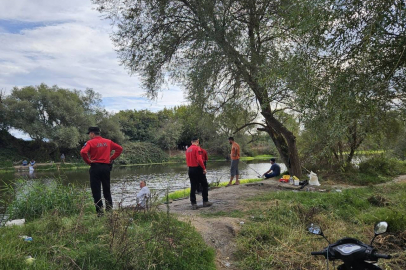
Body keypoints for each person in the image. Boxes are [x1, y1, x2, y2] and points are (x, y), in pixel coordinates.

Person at [80, 127, 123, 215]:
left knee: (96, 191)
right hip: (106, 167)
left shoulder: (90, 142)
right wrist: (111, 158)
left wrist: (88, 161)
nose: (89, 136)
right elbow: (119, 149)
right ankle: (109, 210)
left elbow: (83, 152)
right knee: (107, 189)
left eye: (89, 134)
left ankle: (100, 213)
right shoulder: (108, 142)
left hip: (95, 167)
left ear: (92, 133)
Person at [186, 137, 212, 210]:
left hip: (190, 169)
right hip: (197, 168)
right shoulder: (197, 148)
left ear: (191, 142)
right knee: (204, 184)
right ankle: (205, 201)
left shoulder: (188, 150)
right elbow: (200, 159)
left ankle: (193, 203)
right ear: (197, 141)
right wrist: (204, 168)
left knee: (193, 186)